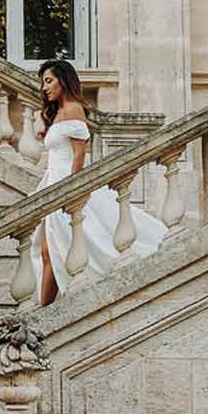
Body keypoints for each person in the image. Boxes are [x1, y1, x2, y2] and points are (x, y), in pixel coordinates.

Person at [33, 59, 166, 307]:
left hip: (64, 184)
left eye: (49, 81)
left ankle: (42, 313)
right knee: (47, 250)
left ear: (63, 80)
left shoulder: (73, 109)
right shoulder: (59, 112)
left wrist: (71, 190)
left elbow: (79, 154)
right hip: (52, 183)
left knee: (52, 249)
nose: (44, 87)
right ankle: (43, 311)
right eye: (43, 82)